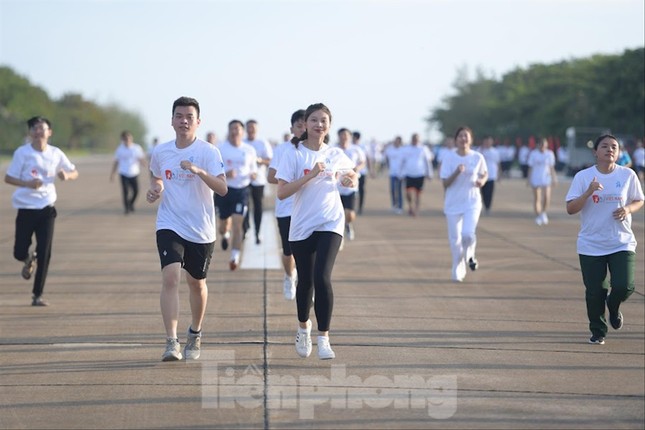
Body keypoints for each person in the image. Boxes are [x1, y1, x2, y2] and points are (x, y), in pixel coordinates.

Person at [147, 96, 227, 361]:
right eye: (179, 116)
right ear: (172, 121)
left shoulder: (209, 152)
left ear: (198, 122)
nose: (184, 121)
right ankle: (171, 341)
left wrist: (199, 171)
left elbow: (222, 189)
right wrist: (156, 189)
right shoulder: (161, 151)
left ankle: (195, 331)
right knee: (170, 277)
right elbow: (156, 176)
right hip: (169, 222)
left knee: (197, 283)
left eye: (189, 117)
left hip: (201, 228)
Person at [276, 103, 358, 360]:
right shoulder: (294, 154)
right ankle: (303, 328)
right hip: (302, 225)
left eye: (323, 120)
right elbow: (282, 192)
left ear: (329, 126)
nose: (318, 125)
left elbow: (351, 175)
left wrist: (350, 179)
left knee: (322, 277)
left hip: (330, 222)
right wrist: (310, 175)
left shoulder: (335, 154)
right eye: (314, 120)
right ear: (306, 123)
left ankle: (324, 338)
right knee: (306, 281)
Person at [565, 134, 644, 345]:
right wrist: (588, 192)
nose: (610, 150)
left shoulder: (627, 175)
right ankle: (598, 330)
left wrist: (628, 209)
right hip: (591, 243)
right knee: (595, 292)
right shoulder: (583, 177)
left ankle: (614, 305)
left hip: (621, 241)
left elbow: (639, 200)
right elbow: (571, 208)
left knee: (624, 286)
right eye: (605, 146)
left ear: (618, 153)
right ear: (595, 152)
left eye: (614, 147)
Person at [4, 116, 79, 306]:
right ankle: (27, 259)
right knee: (19, 251)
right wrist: (27, 183)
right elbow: (8, 178)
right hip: (26, 207)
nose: (38, 132)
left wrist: (66, 175)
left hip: (46, 208)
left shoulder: (56, 153)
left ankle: (37, 295)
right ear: (30, 133)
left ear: (49, 132)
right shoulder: (22, 153)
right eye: (34, 128)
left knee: (45, 251)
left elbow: (74, 172)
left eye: (42, 128)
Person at [439, 126, 488, 282]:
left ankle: (470, 256)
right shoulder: (449, 158)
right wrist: (457, 172)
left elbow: (484, 173)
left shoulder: (477, 157)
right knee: (455, 240)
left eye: (466, 136)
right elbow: (445, 183)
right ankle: (457, 267)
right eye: (460, 136)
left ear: (471, 139)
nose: (463, 139)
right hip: (453, 203)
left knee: (467, 234)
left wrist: (482, 181)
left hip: (472, 202)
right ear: (456, 140)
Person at [268, 109, 306, 300]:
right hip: (286, 208)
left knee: (307, 251)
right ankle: (289, 276)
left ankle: (306, 284)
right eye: (299, 126)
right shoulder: (282, 150)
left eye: (305, 125)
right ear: (292, 129)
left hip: (308, 209)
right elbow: (270, 177)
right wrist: (293, 180)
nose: (303, 129)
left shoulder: (317, 149)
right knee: (288, 250)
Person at [217, 120, 258, 270]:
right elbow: (213, 170)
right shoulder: (220, 149)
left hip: (242, 190)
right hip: (224, 190)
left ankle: (235, 256)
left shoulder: (249, 150)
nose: (235, 132)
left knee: (237, 224)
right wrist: (226, 174)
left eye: (238, 129)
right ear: (228, 131)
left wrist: (253, 175)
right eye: (232, 129)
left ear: (242, 131)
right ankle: (225, 235)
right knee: (223, 225)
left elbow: (253, 169)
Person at [243, 120, 273, 244]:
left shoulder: (262, 143)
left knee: (258, 206)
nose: (251, 130)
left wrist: (260, 161)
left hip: (259, 180)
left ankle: (258, 231)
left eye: (253, 128)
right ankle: (245, 228)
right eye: (249, 127)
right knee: (244, 205)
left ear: (257, 129)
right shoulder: (242, 143)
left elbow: (270, 160)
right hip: (244, 180)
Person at [337, 128, 365, 242]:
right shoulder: (334, 150)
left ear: (350, 137)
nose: (344, 137)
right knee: (338, 213)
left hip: (351, 187)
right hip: (337, 187)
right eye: (342, 135)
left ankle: (348, 224)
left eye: (346, 135)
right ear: (338, 136)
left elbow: (363, 162)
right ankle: (339, 234)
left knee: (350, 213)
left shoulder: (356, 149)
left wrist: (357, 168)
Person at [110, 130, 147, 214]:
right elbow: (116, 162)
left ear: (131, 138)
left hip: (134, 173)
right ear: (122, 139)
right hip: (123, 173)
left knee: (136, 191)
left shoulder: (136, 148)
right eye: (125, 138)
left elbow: (141, 158)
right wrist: (112, 174)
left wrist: (145, 164)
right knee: (125, 191)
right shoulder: (120, 149)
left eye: (129, 138)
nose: (127, 140)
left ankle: (131, 203)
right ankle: (126, 208)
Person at [400, 133, 433, 217]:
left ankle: (416, 209)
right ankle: (410, 206)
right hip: (408, 173)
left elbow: (427, 161)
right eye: (414, 139)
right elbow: (402, 162)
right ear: (411, 139)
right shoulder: (406, 149)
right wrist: (401, 173)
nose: (415, 141)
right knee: (408, 193)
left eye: (416, 139)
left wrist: (429, 173)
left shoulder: (423, 148)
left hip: (420, 173)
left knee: (418, 194)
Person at [527, 137, 557, 225]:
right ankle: (538, 216)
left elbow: (551, 167)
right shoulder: (533, 154)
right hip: (536, 178)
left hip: (546, 178)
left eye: (545, 145)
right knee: (537, 198)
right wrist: (528, 179)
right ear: (538, 145)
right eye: (541, 145)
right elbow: (530, 167)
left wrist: (554, 178)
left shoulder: (550, 154)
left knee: (547, 197)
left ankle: (543, 213)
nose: (543, 146)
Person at [478, 136, 501, 215]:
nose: (487, 143)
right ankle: (483, 205)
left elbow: (498, 163)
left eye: (489, 141)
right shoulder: (480, 150)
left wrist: (499, 174)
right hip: (481, 175)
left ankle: (488, 207)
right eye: (486, 141)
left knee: (490, 192)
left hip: (492, 175)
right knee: (483, 192)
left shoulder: (495, 151)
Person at [384, 136, 405, 214]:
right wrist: (388, 166)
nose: (397, 142)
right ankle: (394, 205)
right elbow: (386, 157)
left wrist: (403, 172)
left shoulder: (403, 150)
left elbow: (405, 162)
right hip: (392, 172)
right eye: (396, 141)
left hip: (400, 173)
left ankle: (400, 206)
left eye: (398, 141)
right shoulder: (390, 149)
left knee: (399, 190)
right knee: (392, 189)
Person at [351, 131, 369, 215]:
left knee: (361, 189)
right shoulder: (350, 146)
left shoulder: (363, 147)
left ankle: (360, 207)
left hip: (362, 172)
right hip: (352, 173)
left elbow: (367, 159)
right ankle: (352, 207)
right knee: (352, 189)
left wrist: (371, 170)